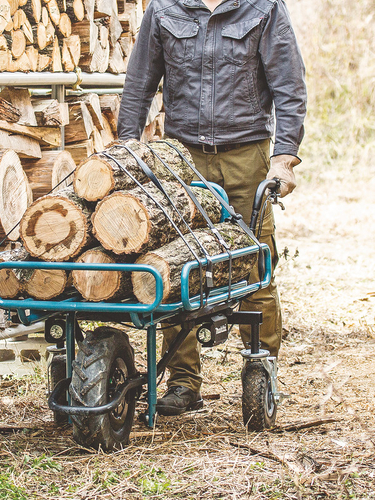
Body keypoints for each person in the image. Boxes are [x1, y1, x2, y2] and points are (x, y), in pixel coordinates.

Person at [117, 0, 307, 415]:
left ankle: (262, 365)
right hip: (181, 157)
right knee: (172, 265)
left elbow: (288, 86)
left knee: (255, 259)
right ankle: (184, 382)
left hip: (247, 154)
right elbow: (138, 85)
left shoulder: (263, 8)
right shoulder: (165, 9)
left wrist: (284, 157)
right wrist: (126, 149)